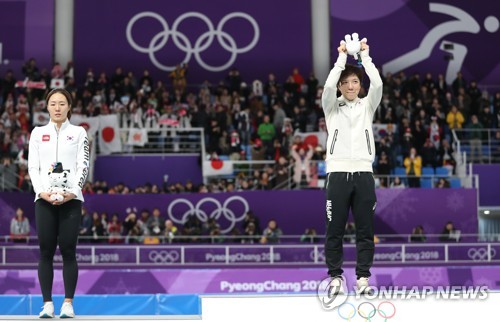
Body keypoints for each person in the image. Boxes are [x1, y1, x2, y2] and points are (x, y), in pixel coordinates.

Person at [322, 37, 383, 295]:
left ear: (360, 86)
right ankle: (336, 278)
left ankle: (362, 280)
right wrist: (341, 58)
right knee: (334, 230)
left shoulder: (368, 106)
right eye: (345, 82)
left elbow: (377, 83)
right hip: (337, 173)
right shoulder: (331, 107)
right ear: (340, 86)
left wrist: (365, 57)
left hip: (364, 174)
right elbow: (326, 88)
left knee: (365, 231)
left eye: (355, 81)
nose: (350, 86)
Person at [28, 88, 90, 318]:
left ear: (69, 107)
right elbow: (33, 167)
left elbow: (83, 165)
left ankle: (68, 303)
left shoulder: (79, 132)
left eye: (62, 103)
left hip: (71, 200)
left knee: (68, 250)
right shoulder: (37, 133)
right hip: (43, 199)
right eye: (53, 103)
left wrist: (73, 192)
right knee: (45, 251)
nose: (57, 107)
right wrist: (41, 191)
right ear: (47, 107)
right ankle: (47, 304)